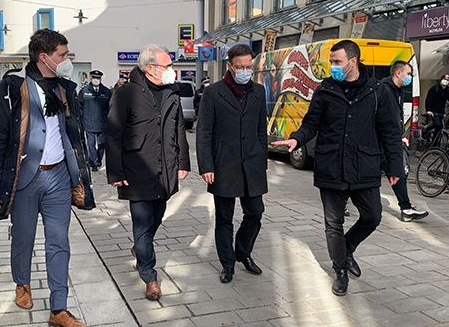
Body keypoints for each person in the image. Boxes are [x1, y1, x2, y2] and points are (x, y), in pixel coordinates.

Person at [0, 29, 92, 327]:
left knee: (59, 242)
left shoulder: (65, 89)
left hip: (58, 177)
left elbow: (74, 133)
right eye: (62, 55)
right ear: (44, 57)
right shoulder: (13, 87)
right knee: (24, 237)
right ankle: (23, 283)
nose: (67, 60)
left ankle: (59, 307)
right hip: (24, 177)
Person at [274, 40, 403, 297]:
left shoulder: (377, 91)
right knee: (333, 223)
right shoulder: (325, 89)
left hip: (364, 165)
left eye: (336, 62)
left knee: (372, 216)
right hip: (331, 165)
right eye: (331, 62)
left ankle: (347, 248)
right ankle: (340, 270)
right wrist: (297, 138)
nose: (332, 66)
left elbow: (389, 132)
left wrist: (394, 166)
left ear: (353, 62)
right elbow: (312, 123)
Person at [106, 44, 190, 301]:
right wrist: (115, 172)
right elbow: (113, 134)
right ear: (150, 68)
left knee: (158, 215)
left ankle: (140, 248)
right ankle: (149, 275)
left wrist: (183, 162)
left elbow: (179, 130)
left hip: (165, 169)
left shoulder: (171, 93)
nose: (171, 71)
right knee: (142, 225)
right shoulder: (127, 93)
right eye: (167, 66)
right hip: (137, 169)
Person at [196, 44, 268, 284]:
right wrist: (206, 166)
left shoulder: (258, 91)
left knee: (255, 212)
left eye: (249, 67)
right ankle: (227, 263)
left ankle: (243, 252)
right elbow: (204, 132)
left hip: (252, 165)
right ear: (230, 66)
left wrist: (262, 158)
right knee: (224, 218)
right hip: (223, 165)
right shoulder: (214, 93)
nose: (245, 71)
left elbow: (261, 130)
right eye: (240, 67)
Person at [382, 61, 429, 222]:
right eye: (408, 74)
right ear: (398, 73)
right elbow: (384, 120)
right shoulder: (385, 90)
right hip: (382, 142)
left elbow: (394, 118)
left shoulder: (397, 90)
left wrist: (400, 136)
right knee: (365, 175)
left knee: (398, 172)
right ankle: (342, 202)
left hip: (391, 140)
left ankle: (406, 208)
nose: (409, 77)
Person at [77, 69, 111, 171]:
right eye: (94, 78)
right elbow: (79, 106)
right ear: (91, 78)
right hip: (88, 122)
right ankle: (94, 163)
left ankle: (98, 159)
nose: (96, 80)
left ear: (100, 79)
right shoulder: (84, 91)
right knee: (91, 144)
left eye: (98, 78)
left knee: (102, 143)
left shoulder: (106, 92)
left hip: (102, 122)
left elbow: (111, 106)